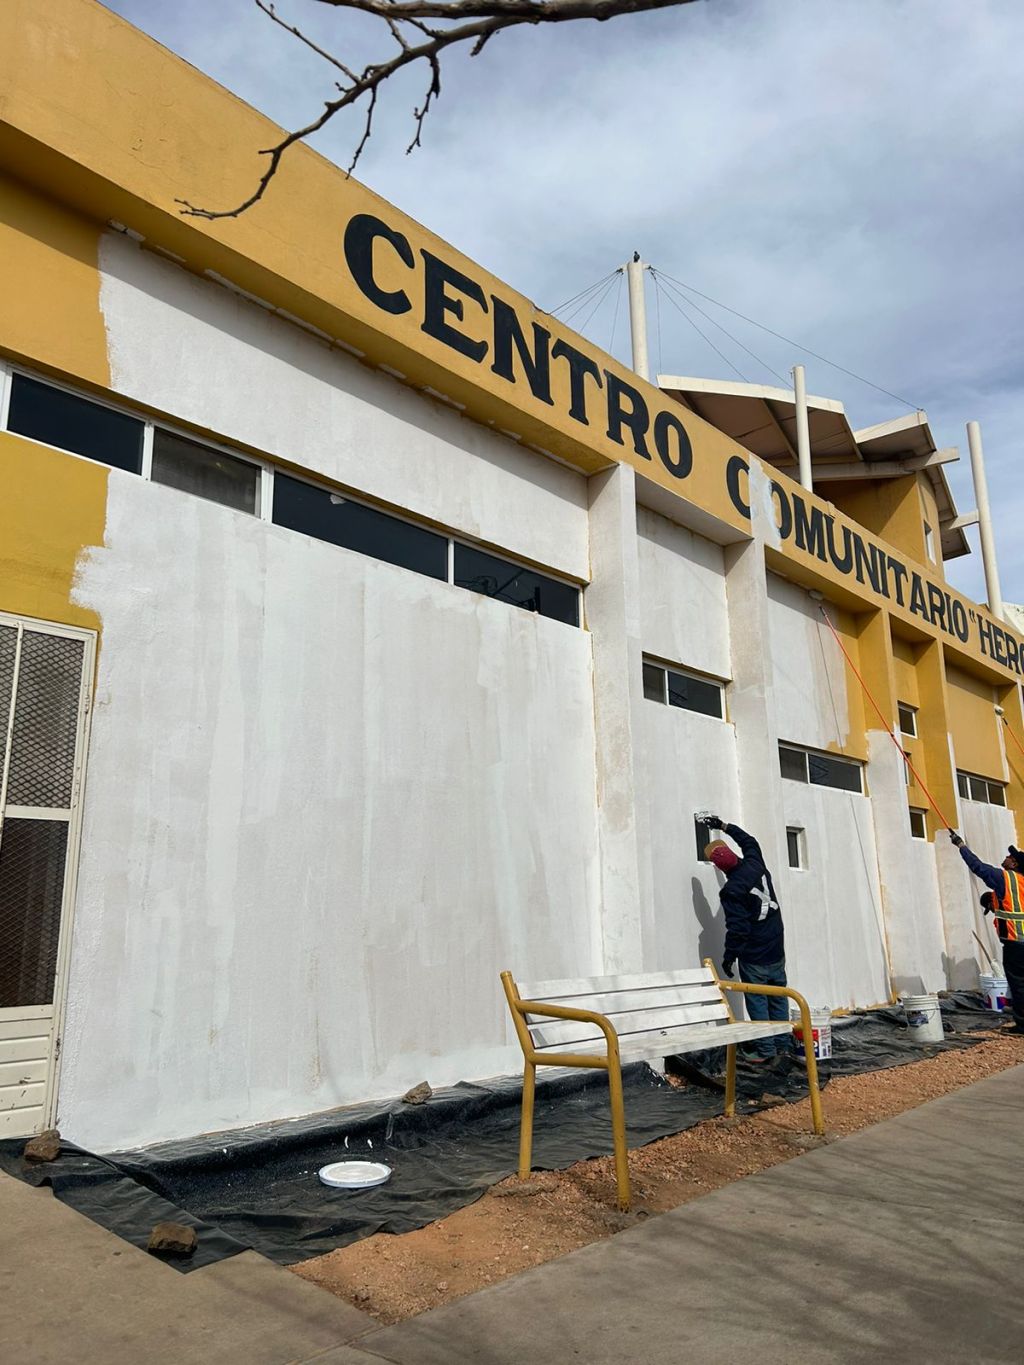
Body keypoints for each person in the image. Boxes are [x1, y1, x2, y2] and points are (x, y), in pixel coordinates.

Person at [701, 816, 788, 1061]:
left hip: (755, 955)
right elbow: (749, 841)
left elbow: (738, 929)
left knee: (758, 1000)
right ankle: (783, 1045)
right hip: (776, 947)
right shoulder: (755, 863)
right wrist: (723, 826)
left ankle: (766, 1052)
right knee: (778, 995)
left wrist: (729, 958)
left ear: (719, 868)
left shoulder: (732, 892)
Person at [948, 830, 1024, 1033]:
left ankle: (1023, 1025)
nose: (1007, 857)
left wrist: (961, 846)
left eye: (1010, 857)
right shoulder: (1020, 882)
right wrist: (993, 901)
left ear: (1014, 864)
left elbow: (978, 868)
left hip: (1016, 942)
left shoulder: (1005, 879)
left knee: (1018, 983)